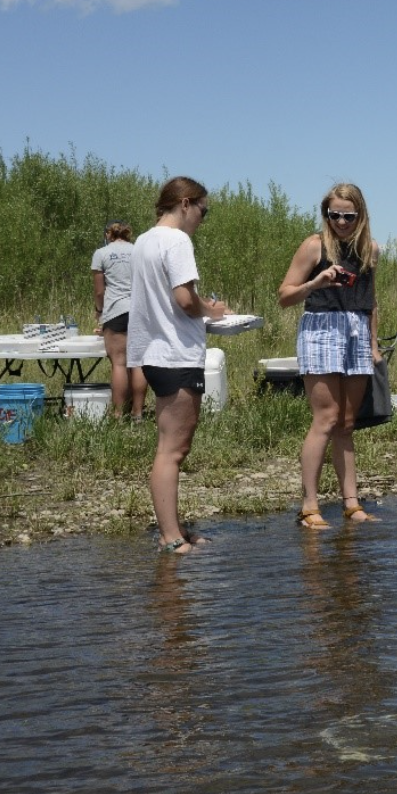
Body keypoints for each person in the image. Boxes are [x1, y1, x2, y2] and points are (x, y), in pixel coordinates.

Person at [128, 176, 230, 554]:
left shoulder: (143, 241)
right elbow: (185, 300)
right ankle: (170, 536)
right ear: (186, 203)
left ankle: (176, 529)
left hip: (152, 354)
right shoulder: (177, 241)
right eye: (204, 210)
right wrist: (214, 311)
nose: (204, 217)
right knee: (173, 449)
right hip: (175, 354)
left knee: (171, 446)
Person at [278, 183, 382, 529]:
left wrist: (374, 344)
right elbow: (285, 295)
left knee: (348, 422)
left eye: (348, 216)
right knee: (326, 418)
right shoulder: (314, 246)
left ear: (360, 216)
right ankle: (309, 505)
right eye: (333, 214)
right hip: (321, 329)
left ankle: (351, 502)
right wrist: (316, 282)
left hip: (356, 331)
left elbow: (371, 301)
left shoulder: (370, 250)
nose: (340, 221)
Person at [90, 220, 147, 419]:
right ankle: (138, 413)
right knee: (138, 363)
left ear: (108, 234)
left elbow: (99, 291)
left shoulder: (101, 253)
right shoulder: (139, 251)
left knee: (119, 363)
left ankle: (117, 414)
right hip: (140, 311)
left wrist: (100, 310)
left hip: (116, 311)